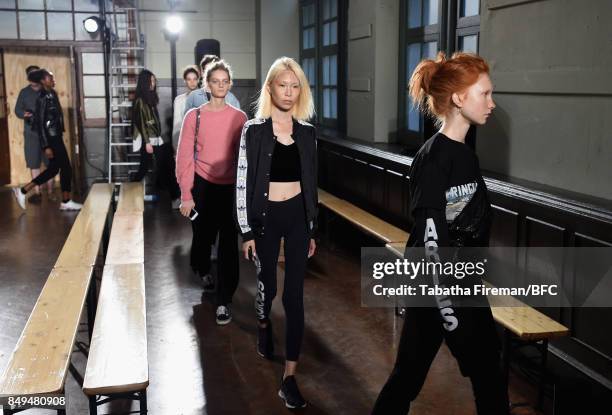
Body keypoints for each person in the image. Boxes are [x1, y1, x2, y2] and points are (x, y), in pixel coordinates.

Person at [371, 52, 509, 415]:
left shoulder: (465, 155)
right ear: (460, 99)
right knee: (426, 376)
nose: (492, 104)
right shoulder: (433, 159)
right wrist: (448, 306)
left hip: (460, 283)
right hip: (441, 287)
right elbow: (432, 240)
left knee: (426, 376)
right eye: (485, 94)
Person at [235, 57, 318, 409]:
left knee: (295, 297)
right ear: (270, 88)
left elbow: (312, 183)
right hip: (265, 220)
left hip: (297, 218)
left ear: (301, 91)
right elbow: (242, 183)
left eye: (294, 85)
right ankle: (263, 322)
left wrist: (311, 227)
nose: (288, 91)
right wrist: (246, 230)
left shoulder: (308, 133)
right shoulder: (253, 131)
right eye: (282, 84)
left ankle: (289, 377)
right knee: (267, 287)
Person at [176, 60, 247, 325]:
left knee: (229, 244)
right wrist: (186, 194)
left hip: (230, 188)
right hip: (202, 185)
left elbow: (244, 159)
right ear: (207, 84)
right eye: (215, 81)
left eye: (224, 81)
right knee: (203, 237)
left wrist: (246, 196)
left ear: (229, 84)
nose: (220, 85)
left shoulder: (240, 118)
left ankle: (224, 300)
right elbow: (184, 157)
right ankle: (203, 269)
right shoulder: (194, 116)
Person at [13, 69, 82, 211]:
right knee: (66, 168)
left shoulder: (52, 94)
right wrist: (46, 146)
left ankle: (23, 191)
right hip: (51, 139)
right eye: (50, 78)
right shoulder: (43, 97)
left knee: (53, 169)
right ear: (43, 81)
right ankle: (66, 201)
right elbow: (40, 123)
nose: (53, 80)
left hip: (56, 136)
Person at [131, 69, 181, 209]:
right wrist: (147, 142)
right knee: (150, 167)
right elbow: (141, 122)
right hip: (148, 141)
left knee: (157, 166)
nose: (153, 84)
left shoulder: (149, 99)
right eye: (150, 81)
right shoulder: (141, 101)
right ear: (144, 83)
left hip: (155, 139)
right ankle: (174, 196)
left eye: (154, 81)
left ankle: (173, 195)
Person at [15, 65, 53, 200]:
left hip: (47, 134)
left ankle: (50, 192)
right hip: (31, 133)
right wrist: (23, 114)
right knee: (34, 163)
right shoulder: (24, 92)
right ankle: (37, 193)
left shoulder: (47, 90)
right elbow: (17, 110)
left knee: (50, 163)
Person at [172, 65, 200, 150]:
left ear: (198, 80)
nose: (192, 82)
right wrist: (175, 146)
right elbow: (177, 124)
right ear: (185, 81)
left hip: (204, 141)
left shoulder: (206, 98)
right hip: (186, 141)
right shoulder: (179, 100)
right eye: (189, 79)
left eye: (195, 79)